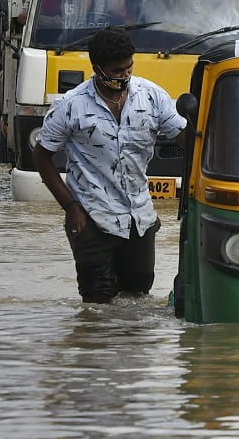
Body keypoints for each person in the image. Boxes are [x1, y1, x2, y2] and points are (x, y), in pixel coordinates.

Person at [32, 26, 187, 304]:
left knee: (136, 301)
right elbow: (42, 157)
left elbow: (187, 139)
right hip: (91, 219)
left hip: (139, 219)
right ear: (97, 68)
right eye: (117, 71)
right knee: (97, 307)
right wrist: (71, 208)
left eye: (129, 68)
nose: (125, 75)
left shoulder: (152, 97)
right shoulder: (70, 106)